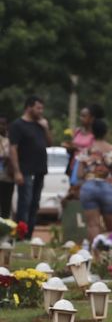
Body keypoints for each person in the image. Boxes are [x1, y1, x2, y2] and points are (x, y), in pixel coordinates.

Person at [74, 118, 112, 242]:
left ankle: (95, 255)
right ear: (106, 132)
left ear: (92, 132)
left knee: (93, 225)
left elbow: (79, 174)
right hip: (108, 187)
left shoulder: (86, 151)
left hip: (89, 187)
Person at [8, 97, 49, 239]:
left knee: (35, 203)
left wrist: (46, 127)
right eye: (38, 108)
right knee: (25, 202)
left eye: (42, 108)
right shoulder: (17, 125)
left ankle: (29, 235)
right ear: (28, 107)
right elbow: (13, 149)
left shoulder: (40, 125)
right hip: (25, 170)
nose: (41, 111)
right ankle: (21, 235)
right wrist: (17, 171)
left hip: (40, 169)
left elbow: (49, 143)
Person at [0, 119, 13, 222]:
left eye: (3, 124)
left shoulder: (11, 139)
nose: (1, 127)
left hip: (8, 177)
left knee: (6, 204)